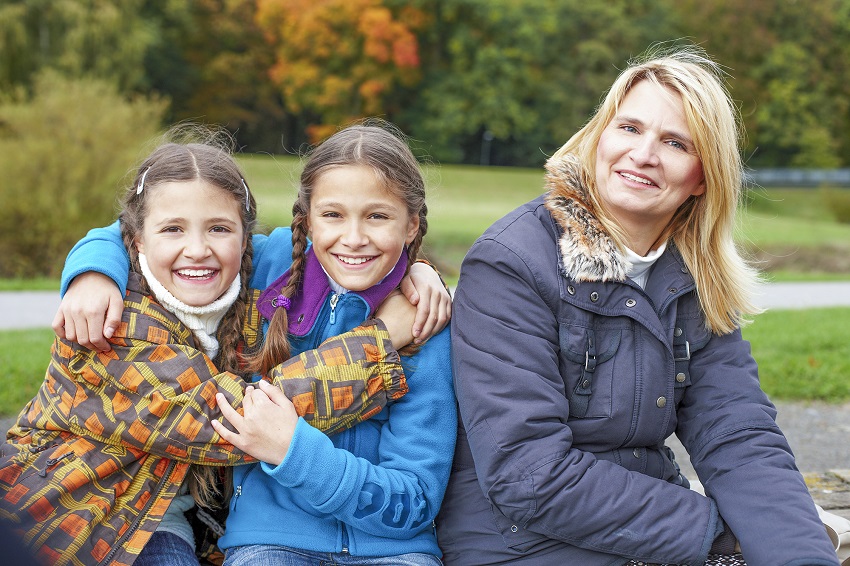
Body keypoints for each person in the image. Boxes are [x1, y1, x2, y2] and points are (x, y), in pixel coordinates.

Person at [436, 46, 840, 566]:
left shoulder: (692, 277)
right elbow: (528, 477)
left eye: (675, 142)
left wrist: (797, 551)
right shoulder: (511, 263)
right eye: (628, 128)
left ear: (702, 178)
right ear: (599, 137)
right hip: (518, 542)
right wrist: (723, 533)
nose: (643, 154)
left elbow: (736, 432)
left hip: (650, 532)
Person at [0, 129, 448, 566]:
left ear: (242, 239)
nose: (198, 249)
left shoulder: (268, 273)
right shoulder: (109, 324)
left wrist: (415, 268)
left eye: (218, 228)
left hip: (184, 520)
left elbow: (345, 247)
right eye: (173, 229)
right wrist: (92, 269)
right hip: (81, 523)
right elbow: (241, 420)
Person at [202, 122, 456, 566]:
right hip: (269, 540)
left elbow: (415, 500)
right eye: (333, 215)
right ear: (307, 217)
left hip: (393, 551)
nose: (354, 238)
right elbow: (161, 225)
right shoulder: (267, 266)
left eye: (377, 216)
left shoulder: (425, 324)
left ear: (412, 224)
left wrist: (293, 452)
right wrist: (93, 273)